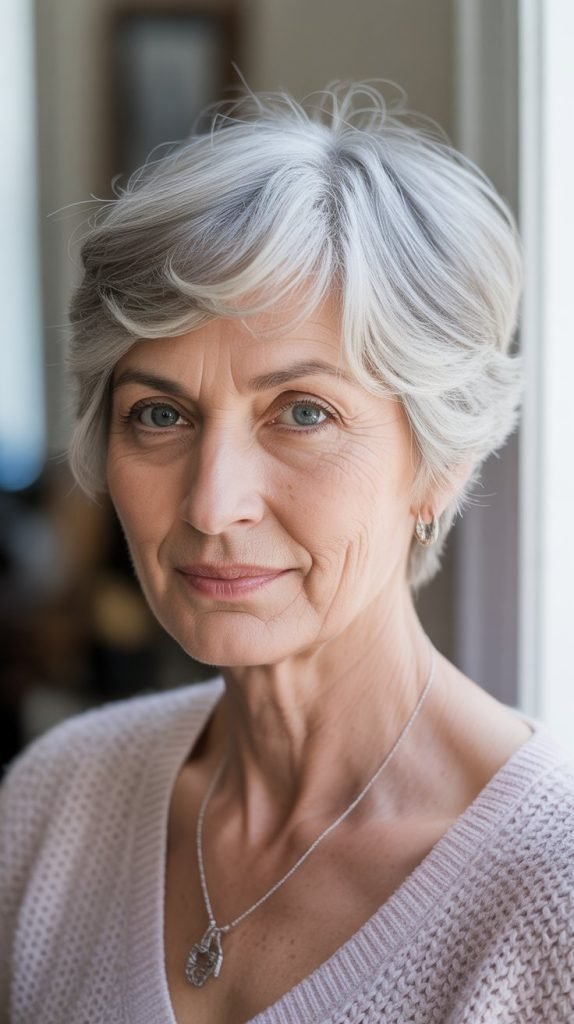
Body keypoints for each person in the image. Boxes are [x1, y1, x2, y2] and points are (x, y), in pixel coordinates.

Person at [1, 82, 573, 1024]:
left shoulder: (551, 892)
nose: (212, 503)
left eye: (303, 413)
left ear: (440, 466)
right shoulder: (55, 802)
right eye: (160, 415)